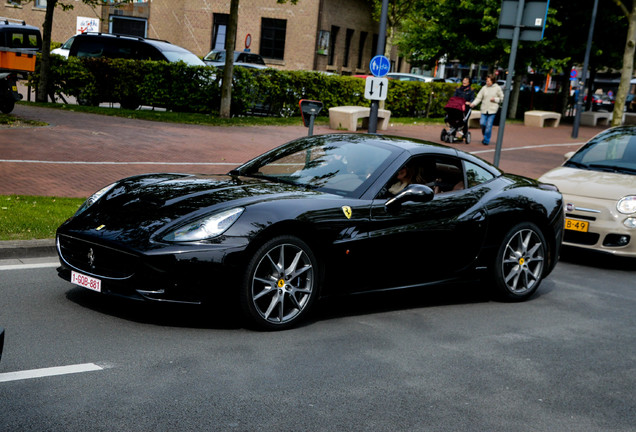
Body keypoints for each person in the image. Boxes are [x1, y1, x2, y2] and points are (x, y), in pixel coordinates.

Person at [470, 74, 504, 145]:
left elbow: (502, 98)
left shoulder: (497, 88)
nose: (487, 82)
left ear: (492, 81)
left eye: (488, 81)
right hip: (484, 109)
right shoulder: (484, 88)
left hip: (492, 110)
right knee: (482, 123)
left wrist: (495, 99)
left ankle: (486, 140)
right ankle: (485, 134)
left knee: (489, 126)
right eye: (486, 81)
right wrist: (473, 104)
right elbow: (479, 97)